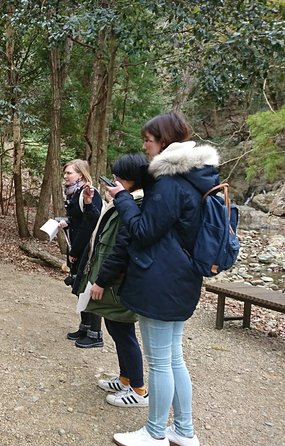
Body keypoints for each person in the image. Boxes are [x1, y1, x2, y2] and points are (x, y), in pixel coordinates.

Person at [106, 112, 214, 446]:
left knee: (161, 362)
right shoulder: (193, 178)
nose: (145, 146)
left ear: (164, 141)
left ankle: (154, 433)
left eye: (149, 140)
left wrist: (122, 199)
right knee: (174, 358)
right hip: (180, 278)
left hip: (160, 281)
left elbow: (143, 231)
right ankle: (183, 430)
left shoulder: (170, 183)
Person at [73, 153, 151, 408]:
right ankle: (125, 378)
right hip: (113, 281)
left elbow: (121, 249)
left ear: (131, 180)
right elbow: (101, 229)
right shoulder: (123, 202)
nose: (113, 181)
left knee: (123, 330)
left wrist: (102, 281)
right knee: (116, 328)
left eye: (118, 177)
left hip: (119, 283)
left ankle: (138, 389)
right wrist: (91, 203)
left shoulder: (135, 206)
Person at [59, 159, 104, 348]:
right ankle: (84, 327)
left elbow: (89, 225)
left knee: (87, 289)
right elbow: (78, 220)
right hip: (77, 247)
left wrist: (75, 251)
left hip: (87, 250)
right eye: (65, 173)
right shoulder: (74, 193)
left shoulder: (89, 194)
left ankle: (95, 335)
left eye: (69, 173)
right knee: (79, 288)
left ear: (81, 174)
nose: (66, 177)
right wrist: (67, 222)